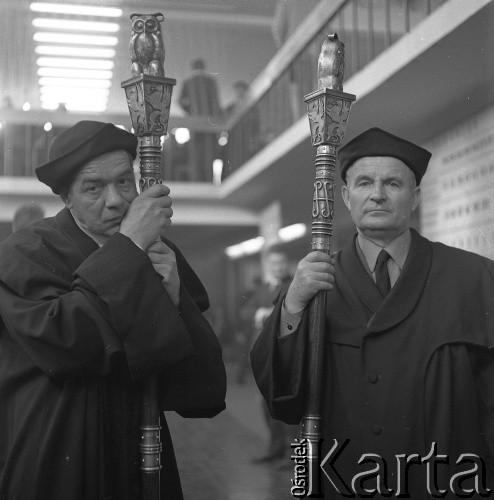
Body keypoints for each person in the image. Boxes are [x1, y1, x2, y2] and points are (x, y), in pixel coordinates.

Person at [251, 127, 494, 498]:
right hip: (346, 477)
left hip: (444, 478)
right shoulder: (313, 283)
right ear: (346, 196)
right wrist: (293, 304)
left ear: (415, 197)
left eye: (393, 184)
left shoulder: (473, 276)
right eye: (364, 182)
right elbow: (280, 395)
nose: (377, 194)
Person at [0, 120, 226, 499]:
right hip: (57, 451)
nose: (117, 200)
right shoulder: (24, 253)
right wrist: (130, 245)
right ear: (66, 198)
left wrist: (174, 299)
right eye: (93, 188)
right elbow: (65, 342)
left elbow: (202, 390)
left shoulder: (162, 255)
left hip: (142, 448)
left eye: (124, 181)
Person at [237, 247, 297, 464]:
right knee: (266, 402)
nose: (279, 267)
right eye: (274, 263)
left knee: (287, 402)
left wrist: (268, 313)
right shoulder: (262, 288)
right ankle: (275, 448)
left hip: (285, 352)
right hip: (264, 354)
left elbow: (295, 311)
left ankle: (294, 455)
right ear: (268, 266)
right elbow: (244, 313)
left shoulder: (294, 285)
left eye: (282, 262)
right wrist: (257, 311)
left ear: (287, 263)